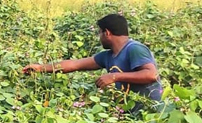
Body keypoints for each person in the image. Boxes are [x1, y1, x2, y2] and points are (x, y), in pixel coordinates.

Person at [22, 13, 163, 101]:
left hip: (150, 111)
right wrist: (40, 68)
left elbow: (151, 74)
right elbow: (75, 64)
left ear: (107, 33)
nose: (99, 37)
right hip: (130, 112)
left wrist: (114, 77)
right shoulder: (108, 55)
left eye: (99, 33)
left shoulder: (134, 49)